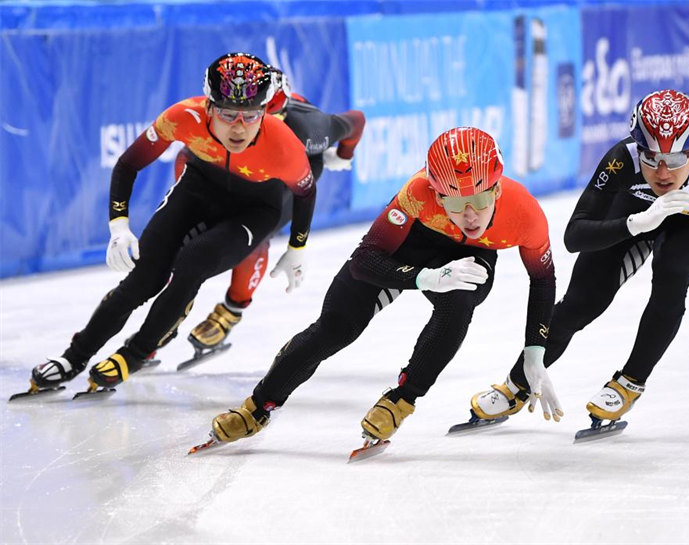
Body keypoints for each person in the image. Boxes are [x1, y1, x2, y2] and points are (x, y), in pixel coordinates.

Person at [201, 127, 561, 448]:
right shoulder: (418, 192)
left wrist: (534, 353)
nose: (469, 215)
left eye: (480, 201)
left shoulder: (525, 213)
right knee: (335, 329)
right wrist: (423, 277)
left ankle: (402, 398)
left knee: (460, 299)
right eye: (453, 202)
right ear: (436, 194)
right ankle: (258, 406)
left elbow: (542, 280)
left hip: (472, 256)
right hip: (410, 248)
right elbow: (364, 260)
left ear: (496, 189)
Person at [468, 89, 689, 427]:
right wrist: (635, 223)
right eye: (651, 158)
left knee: (672, 273)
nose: (662, 172)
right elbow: (574, 236)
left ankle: (630, 381)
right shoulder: (621, 161)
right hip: (636, 213)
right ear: (638, 150)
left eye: (675, 160)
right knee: (580, 303)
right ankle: (517, 385)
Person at [24, 52, 314, 396]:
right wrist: (119, 225)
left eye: (250, 116)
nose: (238, 126)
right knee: (143, 277)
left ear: (264, 111)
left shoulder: (284, 144)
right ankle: (74, 356)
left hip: (254, 209)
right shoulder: (182, 116)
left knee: (194, 263)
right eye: (227, 113)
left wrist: (297, 248)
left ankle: (135, 353)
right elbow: (129, 163)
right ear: (208, 107)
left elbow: (305, 194)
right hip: (199, 189)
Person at [183, 78, 365, 355]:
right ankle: (175, 310)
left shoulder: (310, 128)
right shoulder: (215, 123)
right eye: (236, 116)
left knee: (252, 236)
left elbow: (357, 121)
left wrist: (343, 154)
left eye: (262, 119)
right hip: (227, 165)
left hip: (286, 173)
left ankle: (231, 310)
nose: (247, 130)